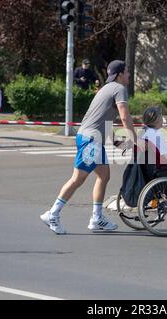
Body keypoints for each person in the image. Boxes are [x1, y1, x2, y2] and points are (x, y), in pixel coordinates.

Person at [40, 60, 144, 235]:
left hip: (91, 137)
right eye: (127, 71)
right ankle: (52, 213)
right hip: (91, 140)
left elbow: (103, 120)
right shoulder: (119, 89)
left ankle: (96, 218)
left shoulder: (105, 88)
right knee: (77, 179)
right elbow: (125, 117)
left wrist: (118, 142)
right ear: (119, 74)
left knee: (104, 176)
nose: (128, 75)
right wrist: (135, 140)